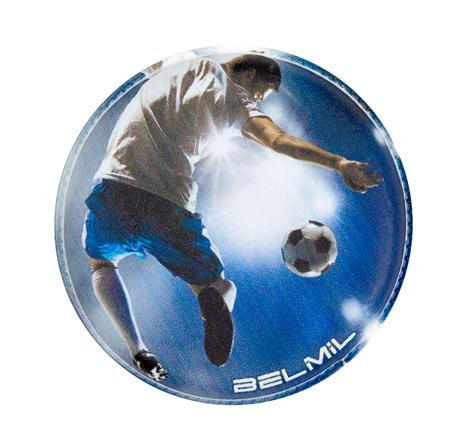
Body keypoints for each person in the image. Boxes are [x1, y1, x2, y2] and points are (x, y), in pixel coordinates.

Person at [83, 54, 381, 381]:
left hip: (112, 187)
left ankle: (138, 349)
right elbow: (279, 141)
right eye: (261, 93)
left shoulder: (181, 60)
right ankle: (213, 300)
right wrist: (339, 163)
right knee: (217, 284)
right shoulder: (239, 102)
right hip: (166, 202)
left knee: (101, 262)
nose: (258, 100)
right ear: (249, 74)